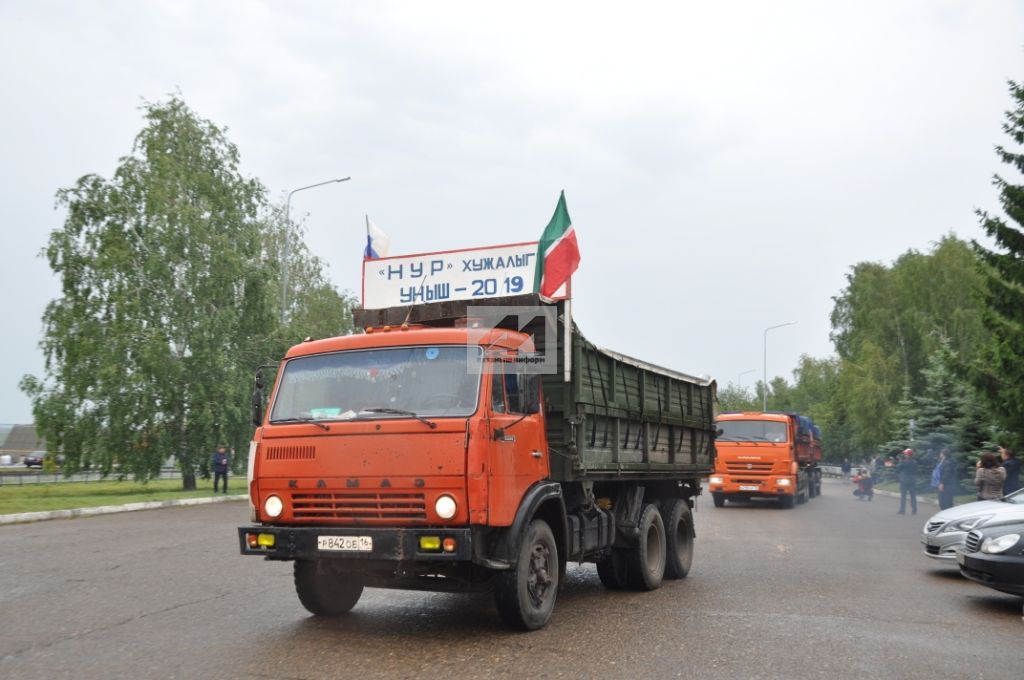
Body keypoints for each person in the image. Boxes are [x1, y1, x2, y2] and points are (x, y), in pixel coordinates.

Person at [896, 448, 918, 515]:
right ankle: (914, 510)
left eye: (905, 454)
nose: (904, 455)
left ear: (907, 455)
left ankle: (902, 510)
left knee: (903, 496)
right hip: (912, 480)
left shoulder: (903, 462)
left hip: (904, 481)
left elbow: (898, 468)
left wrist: (900, 461)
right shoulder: (915, 462)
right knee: (913, 496)